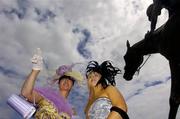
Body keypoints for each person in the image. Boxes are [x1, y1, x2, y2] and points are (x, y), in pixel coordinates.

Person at [21, 48, 83, 119]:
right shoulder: (46, 97)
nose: (66, 81)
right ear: (58, 83)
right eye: (63, 78)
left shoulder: (72, 111)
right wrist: (35, 70)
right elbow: (26, 93)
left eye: (70, 79)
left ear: (72, 86)